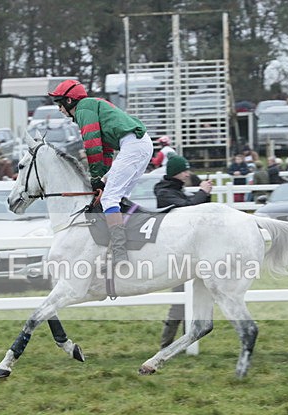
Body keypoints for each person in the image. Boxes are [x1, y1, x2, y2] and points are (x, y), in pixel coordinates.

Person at [49, 79, 153, 266]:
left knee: (109, 199)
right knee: (116, 196)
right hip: (136, 145)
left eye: (59, 103)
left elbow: (92, 144)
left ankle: (120, 253)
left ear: (70, 101)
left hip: (133, 145)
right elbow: (105, 150)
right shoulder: (91, 107)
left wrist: (96, 177)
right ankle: (127, 240)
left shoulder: (83, 109)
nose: (59, 108)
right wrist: (101, 177)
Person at [153, 155, 212, 349]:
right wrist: (202, 192)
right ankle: (167, 344)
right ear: (175, 172)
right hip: (176, 255)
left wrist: (205, 194)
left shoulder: (175, 190)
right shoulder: (164, 192)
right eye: (184, 170)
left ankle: (178, 343)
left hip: (188, 253)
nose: (188, 173)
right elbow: (189, 209)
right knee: (180, 301)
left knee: (190, 300)